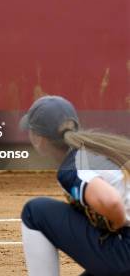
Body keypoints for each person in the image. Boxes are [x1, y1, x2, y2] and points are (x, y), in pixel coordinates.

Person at [20, 95, 130, 276]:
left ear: (38, 139)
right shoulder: (103, 148)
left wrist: (115, 224)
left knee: (35, 212)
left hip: (125, 253)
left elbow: (111, 202)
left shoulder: (73, 166)